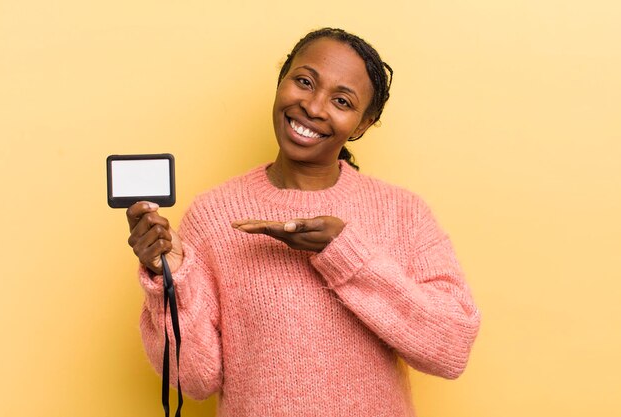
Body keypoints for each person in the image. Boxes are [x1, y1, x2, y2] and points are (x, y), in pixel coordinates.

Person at [126, 27, 480, 417]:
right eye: (304, 82)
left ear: (362, 124)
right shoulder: (212, 215)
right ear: (281, 83)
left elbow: (452, 346)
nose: (313, 107)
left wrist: (343, 253)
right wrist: (168, 279)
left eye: (342, 101)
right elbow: (195, 379)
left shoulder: (404, 213)